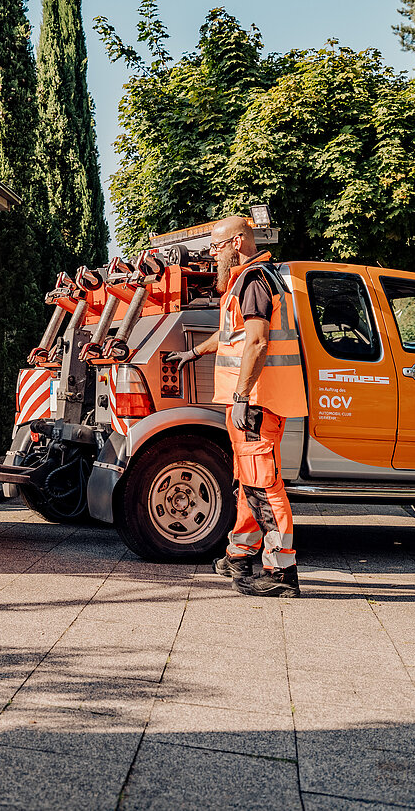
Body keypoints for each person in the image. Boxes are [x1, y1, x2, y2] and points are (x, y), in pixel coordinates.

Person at [167, 216, 308, 598]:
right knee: (247, 482)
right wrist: (193, 352)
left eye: (216, 246)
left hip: (256, 402)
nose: (212, 255)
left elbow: (258, 342)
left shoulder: (252, 280)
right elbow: (233, 334)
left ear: (239, 241)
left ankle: (281, 571)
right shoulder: (249, 281)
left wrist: (243, 395)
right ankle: (239, 555)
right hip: (250, 402)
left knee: (264, 486)